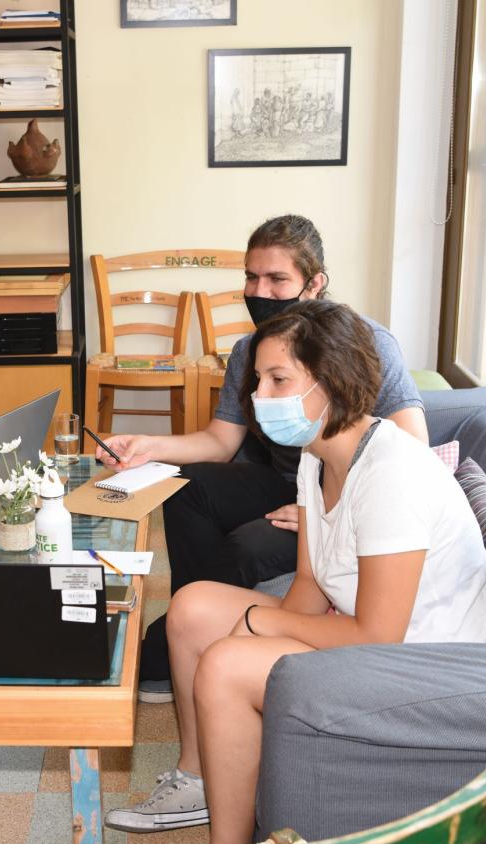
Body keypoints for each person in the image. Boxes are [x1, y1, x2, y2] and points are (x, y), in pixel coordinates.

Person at [104, 301, 486, 844]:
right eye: (258, 381)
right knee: (193, 606)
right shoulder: (316, 458)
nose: (259, 397)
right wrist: (262, 629)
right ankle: (199, 781)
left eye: (278, 380)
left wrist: (259, 627)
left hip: (435, 672)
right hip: (381, 643)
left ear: (333, 382)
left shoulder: (392, 473)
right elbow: (310, 586)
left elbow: (378, 636)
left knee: (227, 664)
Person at [95, 215, 426, 701]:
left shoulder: (366, 344)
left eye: (277, 279)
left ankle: (169, 644)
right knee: (187, 486)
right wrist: (149, 446)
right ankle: (191, 626)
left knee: (248, 547)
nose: (259, 291)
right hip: (292, 480)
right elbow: (220, 441)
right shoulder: (251, 349)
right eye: (251, 277)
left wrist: (327, 512)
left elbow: (412, 448)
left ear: (315, 284)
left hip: (345, 498)